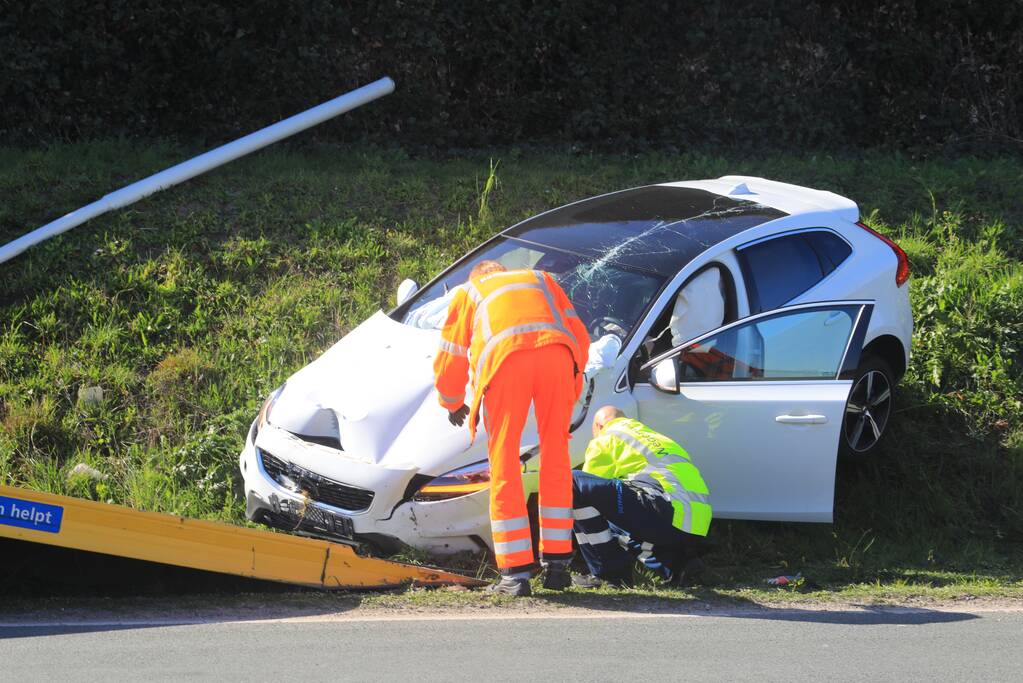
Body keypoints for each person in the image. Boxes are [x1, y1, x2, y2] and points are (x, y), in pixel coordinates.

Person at [434, 260, 590, 596]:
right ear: (503, 271)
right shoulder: (542, 279)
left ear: (477, 277)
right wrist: (572, 381)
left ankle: (515, 573)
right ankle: (558, 563)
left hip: (507, 363)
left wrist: (451, 402)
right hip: (558, 356)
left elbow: (452, 353)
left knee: (504, 462)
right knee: (556, 457)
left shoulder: (471, 292)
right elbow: (581, 336)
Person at [571, 406, 712, 587]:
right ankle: (679, 565)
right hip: (694, 525)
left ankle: (608, 573)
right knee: (620, 520)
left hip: (665, 510)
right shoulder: (657, 438)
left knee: (572, 482)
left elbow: (587, 495)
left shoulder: (606, 438)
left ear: (598, 426)